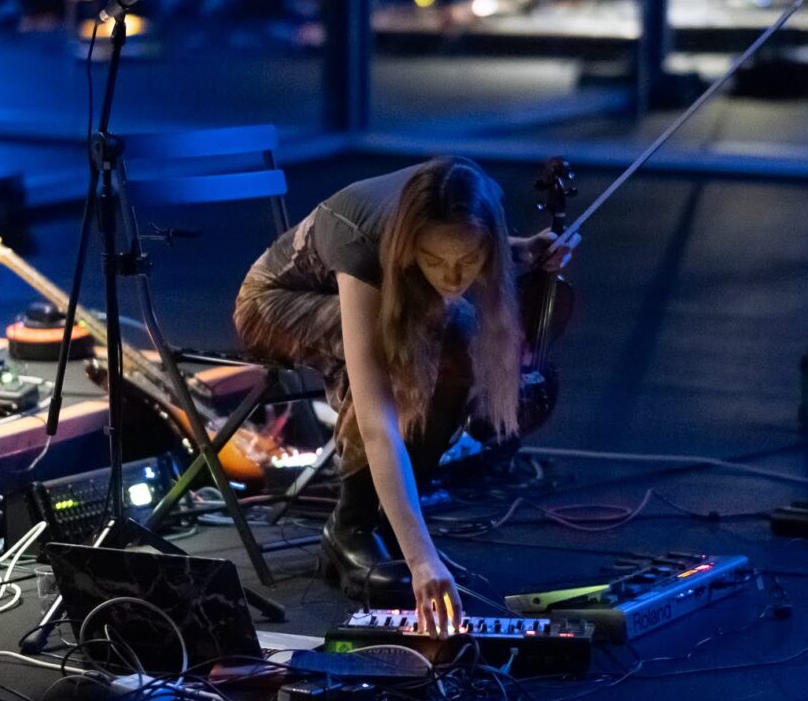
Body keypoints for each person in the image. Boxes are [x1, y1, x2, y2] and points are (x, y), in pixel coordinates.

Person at [233, 158, 577, 637]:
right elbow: (378, 419)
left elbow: (467, 249)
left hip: (379, 289)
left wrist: (521, 252)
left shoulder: (472, 202)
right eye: (434, 262)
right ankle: (349, 527)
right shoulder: (365, 243)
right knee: (403, 346)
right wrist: (422, 561)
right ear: (409, 244)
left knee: (456, 335)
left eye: (470, 262)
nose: (453, 279)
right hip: (273, 303)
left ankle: (390, 516)